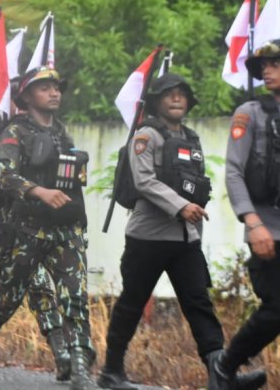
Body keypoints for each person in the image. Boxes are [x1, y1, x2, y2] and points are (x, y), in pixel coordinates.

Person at [99, 73, 265, 390]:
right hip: (147, 238)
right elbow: (144, 181)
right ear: (156, 101)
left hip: (185, 239)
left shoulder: (191, 137)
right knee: (132, 303)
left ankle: (221, 376)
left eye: (181, 94)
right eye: (169, 94)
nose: (176, 98)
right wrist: (180, 206)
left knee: (198, 303)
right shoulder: (145, 136)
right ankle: (111, 371)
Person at [0, 67, 92, 390]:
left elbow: (71, 175)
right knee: (7, 296)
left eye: (56, 87)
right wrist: (40, 191)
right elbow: (5, 175)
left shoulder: (61, 131)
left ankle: (79, 370)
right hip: (27, 228)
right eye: (45, 88)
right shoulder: (14, 131)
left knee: (75, 296)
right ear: (27, 96)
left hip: (65, 229)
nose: (54, 93)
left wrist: (77, 176)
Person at [210, 40, 280, 390]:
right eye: (262, 65)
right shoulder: (250, 112)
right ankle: (225, 366)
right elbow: (234, 172)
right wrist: (252, 223)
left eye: (274, 63)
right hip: (267, 228)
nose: (266, 70)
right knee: (278, 308)